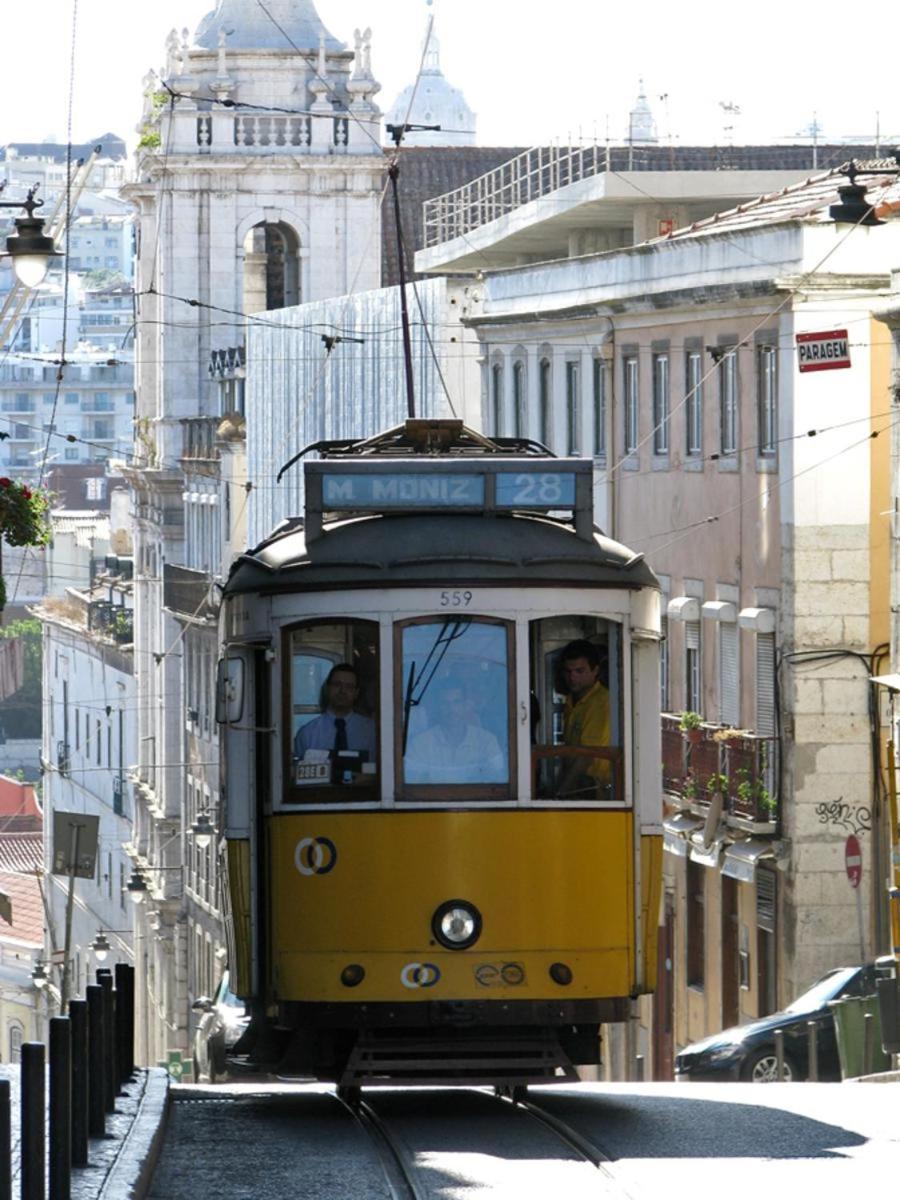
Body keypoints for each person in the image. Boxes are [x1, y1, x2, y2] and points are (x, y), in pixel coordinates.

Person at [405, 681, 506, 784]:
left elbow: (496, 781)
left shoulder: (487, 741)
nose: (451, 709)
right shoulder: (419, 744)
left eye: (456, 702)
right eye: (445, 703)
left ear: (465, 705)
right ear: (438, 707)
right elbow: (413, 783)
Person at [293, 663, 376, 764]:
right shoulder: (307, 733)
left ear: (356, 693)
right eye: (337, 685)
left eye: (349, 686)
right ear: (328, 688)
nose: (342, 691)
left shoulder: (372, 732)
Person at [559, 639, 611, 796]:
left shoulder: (601, 703)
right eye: (568, 672)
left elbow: (585, 756)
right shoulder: (571, 700)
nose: (573, 677)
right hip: (576, 783)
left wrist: (560, 794)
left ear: (595, 671)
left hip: (593, 789)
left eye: (579, 671)